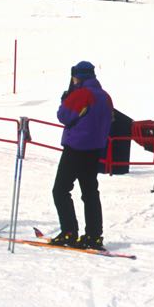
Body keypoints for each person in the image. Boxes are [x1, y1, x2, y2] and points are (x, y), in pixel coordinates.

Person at [50, 61, 113, 249]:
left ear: (79, 76)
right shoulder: (105, 96)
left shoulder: (82, 94)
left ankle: (69, 231)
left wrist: (66, 99)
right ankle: (94, 235)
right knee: (90, 192)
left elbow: (64, 116)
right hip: (95, 149)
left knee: (60, 190)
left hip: (76, 147)